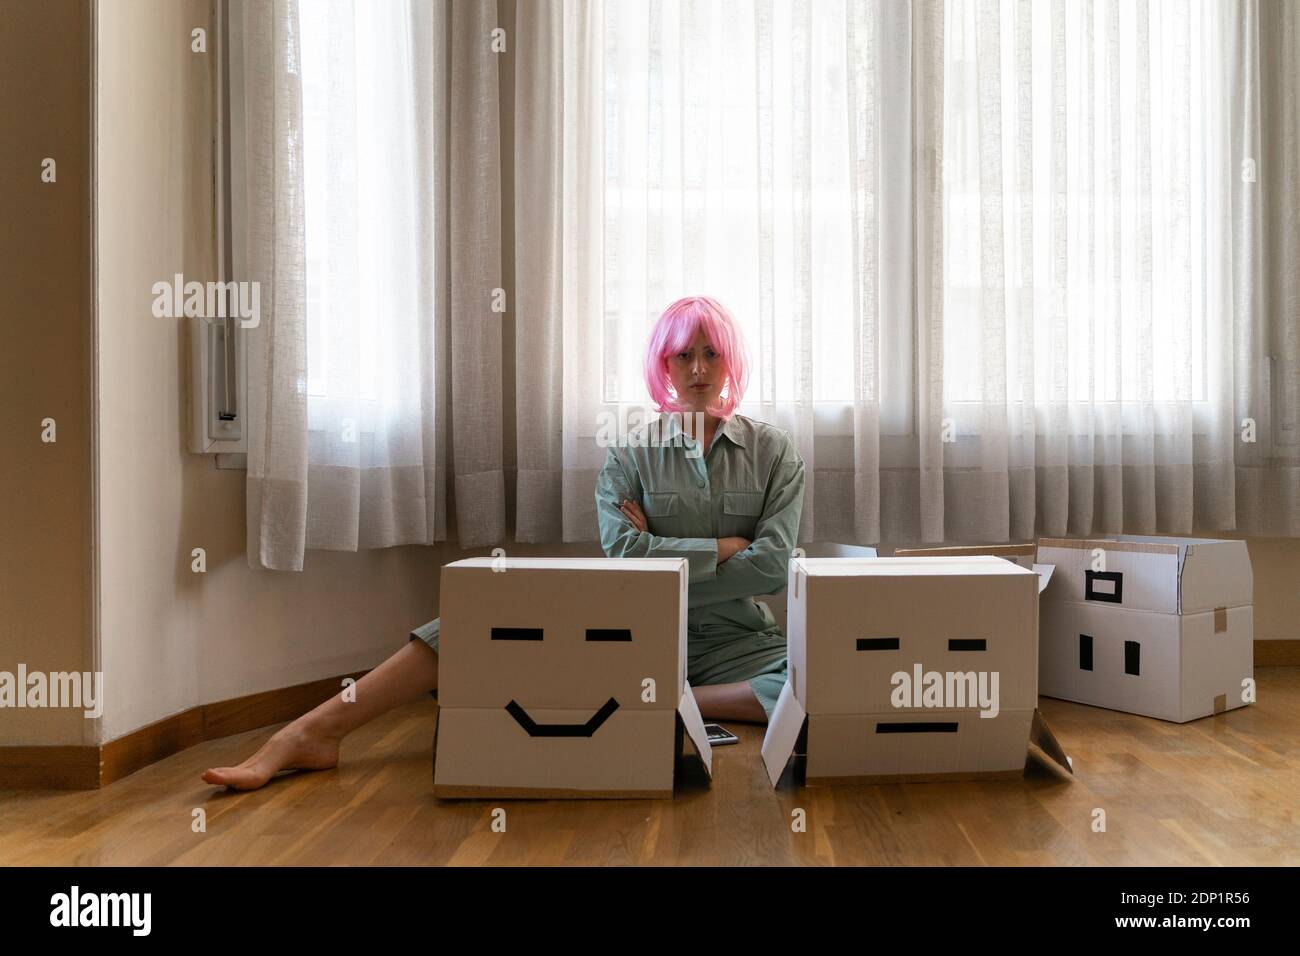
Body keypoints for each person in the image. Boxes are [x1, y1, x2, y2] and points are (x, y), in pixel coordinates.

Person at [202, 295, 805, 790]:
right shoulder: (629, 452)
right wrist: (726, 547)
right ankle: (311, 732)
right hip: (639, 626)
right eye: (682, 355)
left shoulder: (774, 452)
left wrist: (671, 551)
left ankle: (680, 700)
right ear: (662, 366)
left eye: (711, 353)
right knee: (472, 622)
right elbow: (624, 554)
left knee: (817, 680)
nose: (698, 369)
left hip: (741, 644)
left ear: (730, 363)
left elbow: (773, 566)